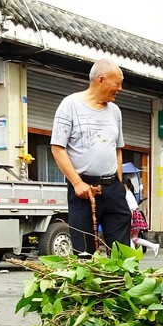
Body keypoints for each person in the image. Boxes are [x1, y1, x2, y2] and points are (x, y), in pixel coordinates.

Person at [50, 59, 130, 256]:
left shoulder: (115, 111)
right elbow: (57, 148)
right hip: (83, 190)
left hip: (112, 188)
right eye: (117, 83)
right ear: (101, 80)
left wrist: (119, 184)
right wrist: (77, 183)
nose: (120, 89)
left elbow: (117, 150)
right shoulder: (70, 105)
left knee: (121, 253)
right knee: (85, 253)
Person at [124, 177, 159, 257]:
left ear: (125, 185)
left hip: (132, 216)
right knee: (134, 238)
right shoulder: (130, 193)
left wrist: (131, 220)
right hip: (136, 215)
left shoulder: (127, 194)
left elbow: (131, 208)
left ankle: (133, 255)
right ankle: (153, 246)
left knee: (128, 237)